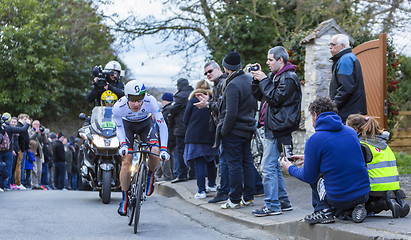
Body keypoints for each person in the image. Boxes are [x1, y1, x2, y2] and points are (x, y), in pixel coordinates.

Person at [281, 97, 370, 224]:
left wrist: (289, 167)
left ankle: (322, 211)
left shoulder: (315, 140)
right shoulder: (351, 132)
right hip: (363, 194)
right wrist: (308, 159)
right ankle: (354, 207)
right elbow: (340, 158)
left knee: (315, 175)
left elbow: (308, 177)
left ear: (315, 115)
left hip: (338, 198)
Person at [250, 46, 302, 216]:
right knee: (273, 166)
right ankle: (283, 202)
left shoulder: (288, 78)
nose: (267, 63)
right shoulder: (275, 76)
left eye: (270, 60)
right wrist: (256, 80)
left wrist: (264, 80)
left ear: (281, 60)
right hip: (272, 126)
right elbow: (260, 96)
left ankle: (272, 206)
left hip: (278, 126)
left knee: (267, 167)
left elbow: (275, 99)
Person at [113, 80, 170, 216]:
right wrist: (123, 145)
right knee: (127, 160)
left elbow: (162, 125)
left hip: (145, 124)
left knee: (154, 152)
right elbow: (119, 128)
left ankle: (150, 174)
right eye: (133, 100)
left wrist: (164, 149)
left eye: (140, 100)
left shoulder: (151, 102)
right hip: (127, 126)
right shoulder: (118, 107)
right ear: (127, 97)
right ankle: (125, 199)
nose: (137, 104)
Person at [346, 114, 410, 218]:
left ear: (355, 130)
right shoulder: (383, 144)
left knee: (358, 207)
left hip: (374, 188)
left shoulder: (361, 145)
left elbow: (355, 169)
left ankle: (384, 203)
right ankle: (397, 199)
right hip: (393, 185)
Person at [217, 51, 258, 209]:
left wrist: (224, 131)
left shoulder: (232, 84)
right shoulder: (249, 79)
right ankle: (248, 197)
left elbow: (231, 112)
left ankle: (234, 199)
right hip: (248, 128)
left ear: (227, 68)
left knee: (234, 164)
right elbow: (254, 106)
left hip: (234, 130)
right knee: (247, 163)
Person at [183, 80, 218, 199]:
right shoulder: (213, 100)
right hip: (211, 134)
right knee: (210, 160)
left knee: (199, 161)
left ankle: (201, 190)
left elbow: (185, 119)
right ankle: (212, 184)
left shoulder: (193, 100)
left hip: (195, 135)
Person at [329, 34, 367, 123]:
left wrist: (333, 105)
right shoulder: (347, 57)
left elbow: (346, 88)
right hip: (352, 111)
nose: (330, 47)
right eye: (329, 45)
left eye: (333, 44)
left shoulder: (345, 59)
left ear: (342, 45)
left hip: (348, 113)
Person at [169, 78, 194, 183]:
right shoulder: (193, 93)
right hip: (192, 127)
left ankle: (182, 174)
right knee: (192, 151)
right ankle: (193, 173)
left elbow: (173, 110)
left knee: (180, 151)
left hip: (181, 127)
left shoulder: (180, 96)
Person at [0, 113, 30, 190]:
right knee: (8, 169)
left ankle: (2, 186)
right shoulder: (8, 128)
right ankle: (6, 186)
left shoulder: (3, 127)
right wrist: (28, 124)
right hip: (8, 150)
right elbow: (22, 130)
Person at [155, 92, 175, 181]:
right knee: (171, 155)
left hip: (167, 137)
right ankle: (159, 174)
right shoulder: (173, 108)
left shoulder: (166, 110)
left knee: (165, 156)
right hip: (173, 135)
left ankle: (167, 175)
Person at [28, 120, 47, 190]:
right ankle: (34, 184)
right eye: (35, 124)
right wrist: (36, 133)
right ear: (32, 125)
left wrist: (43, 134)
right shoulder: (30, 131)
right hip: (33, 152)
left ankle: (38, 183)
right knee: (34, 169)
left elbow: (45, 141)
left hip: (39, 153)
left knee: (39, 170)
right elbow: (30, 139)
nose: (37, 126)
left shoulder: (40, 132)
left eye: (38, 125)